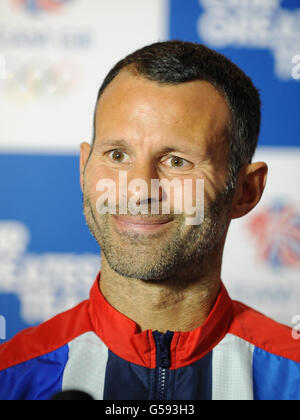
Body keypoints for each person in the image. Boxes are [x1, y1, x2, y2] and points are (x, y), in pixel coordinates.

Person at [0, 40, 299, 401]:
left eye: (176, 161)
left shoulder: (290, 375)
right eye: (117, 154)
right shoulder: (12, 377)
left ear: (246, 191)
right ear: (84, 168)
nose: (138, 189)